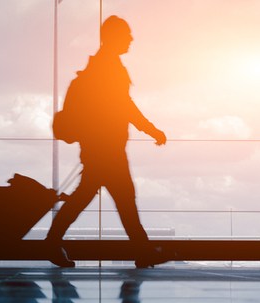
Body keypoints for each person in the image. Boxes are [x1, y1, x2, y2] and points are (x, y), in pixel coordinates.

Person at [46, 16, 171, 268]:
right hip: (106, 148)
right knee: (122, 197)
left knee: (99, 196)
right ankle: (142, 250)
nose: (131, 39)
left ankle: (52, 242)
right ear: (114, 37)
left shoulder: (101, 66)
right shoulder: (109, 68)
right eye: (127, 35)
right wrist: (151, 129)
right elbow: (125, 106)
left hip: (99, 146)